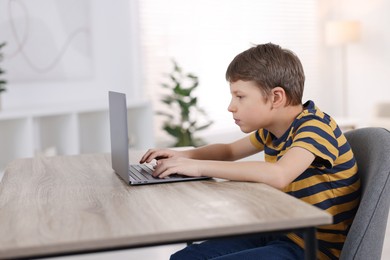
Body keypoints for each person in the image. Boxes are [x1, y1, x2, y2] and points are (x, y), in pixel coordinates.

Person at [140, 43, 361, 260]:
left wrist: (197, 167)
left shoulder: (316, 127)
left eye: (240, 96)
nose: (231, 106)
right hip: (282, 233)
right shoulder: (272, 131)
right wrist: (183, 156)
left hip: (314, 248)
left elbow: (279, 174)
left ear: (276, 97)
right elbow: (228, 151)